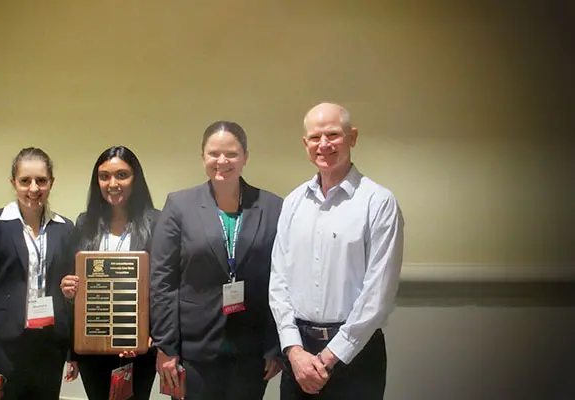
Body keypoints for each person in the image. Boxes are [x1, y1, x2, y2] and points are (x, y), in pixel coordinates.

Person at [269, 102, 405, 399]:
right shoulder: (293, 203)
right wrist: (293, 351)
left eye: (333, 134)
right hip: (298, 355)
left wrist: (329, 357)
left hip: (355, 354)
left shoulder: (378, 202)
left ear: (352, 137)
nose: (324, 144)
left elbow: (377, 294)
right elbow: (278, 280)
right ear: (305, 144)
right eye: (315, 137)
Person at [150, 121, 283, 400]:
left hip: (251, 351)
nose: (222, 161)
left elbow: (280, 280)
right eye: (213, 154)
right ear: (203, 157)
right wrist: (165, 346)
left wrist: (274, 345)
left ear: (245, 156)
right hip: (193, 350)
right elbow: (162, 280)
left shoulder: (272, 207)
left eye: (231, 154)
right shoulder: (179, 205)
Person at [0, 147, 79, 399]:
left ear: (51, 182)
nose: (33, 188)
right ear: (13, 183)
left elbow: (70, 294)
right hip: (6, 343)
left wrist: (73, 352)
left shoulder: (65, 228)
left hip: (50, 343)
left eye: (41, 180)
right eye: (25, 181)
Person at [59, 145, 160, 399]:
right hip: (94, 344)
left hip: (139, 347)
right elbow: (77, 285)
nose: (112, 183)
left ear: (135, 179)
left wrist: (154, 335)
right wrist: (69, 289)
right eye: (104, 176)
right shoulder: (84, 223)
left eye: (122, 175)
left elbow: (163, 285)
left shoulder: (156, 222)